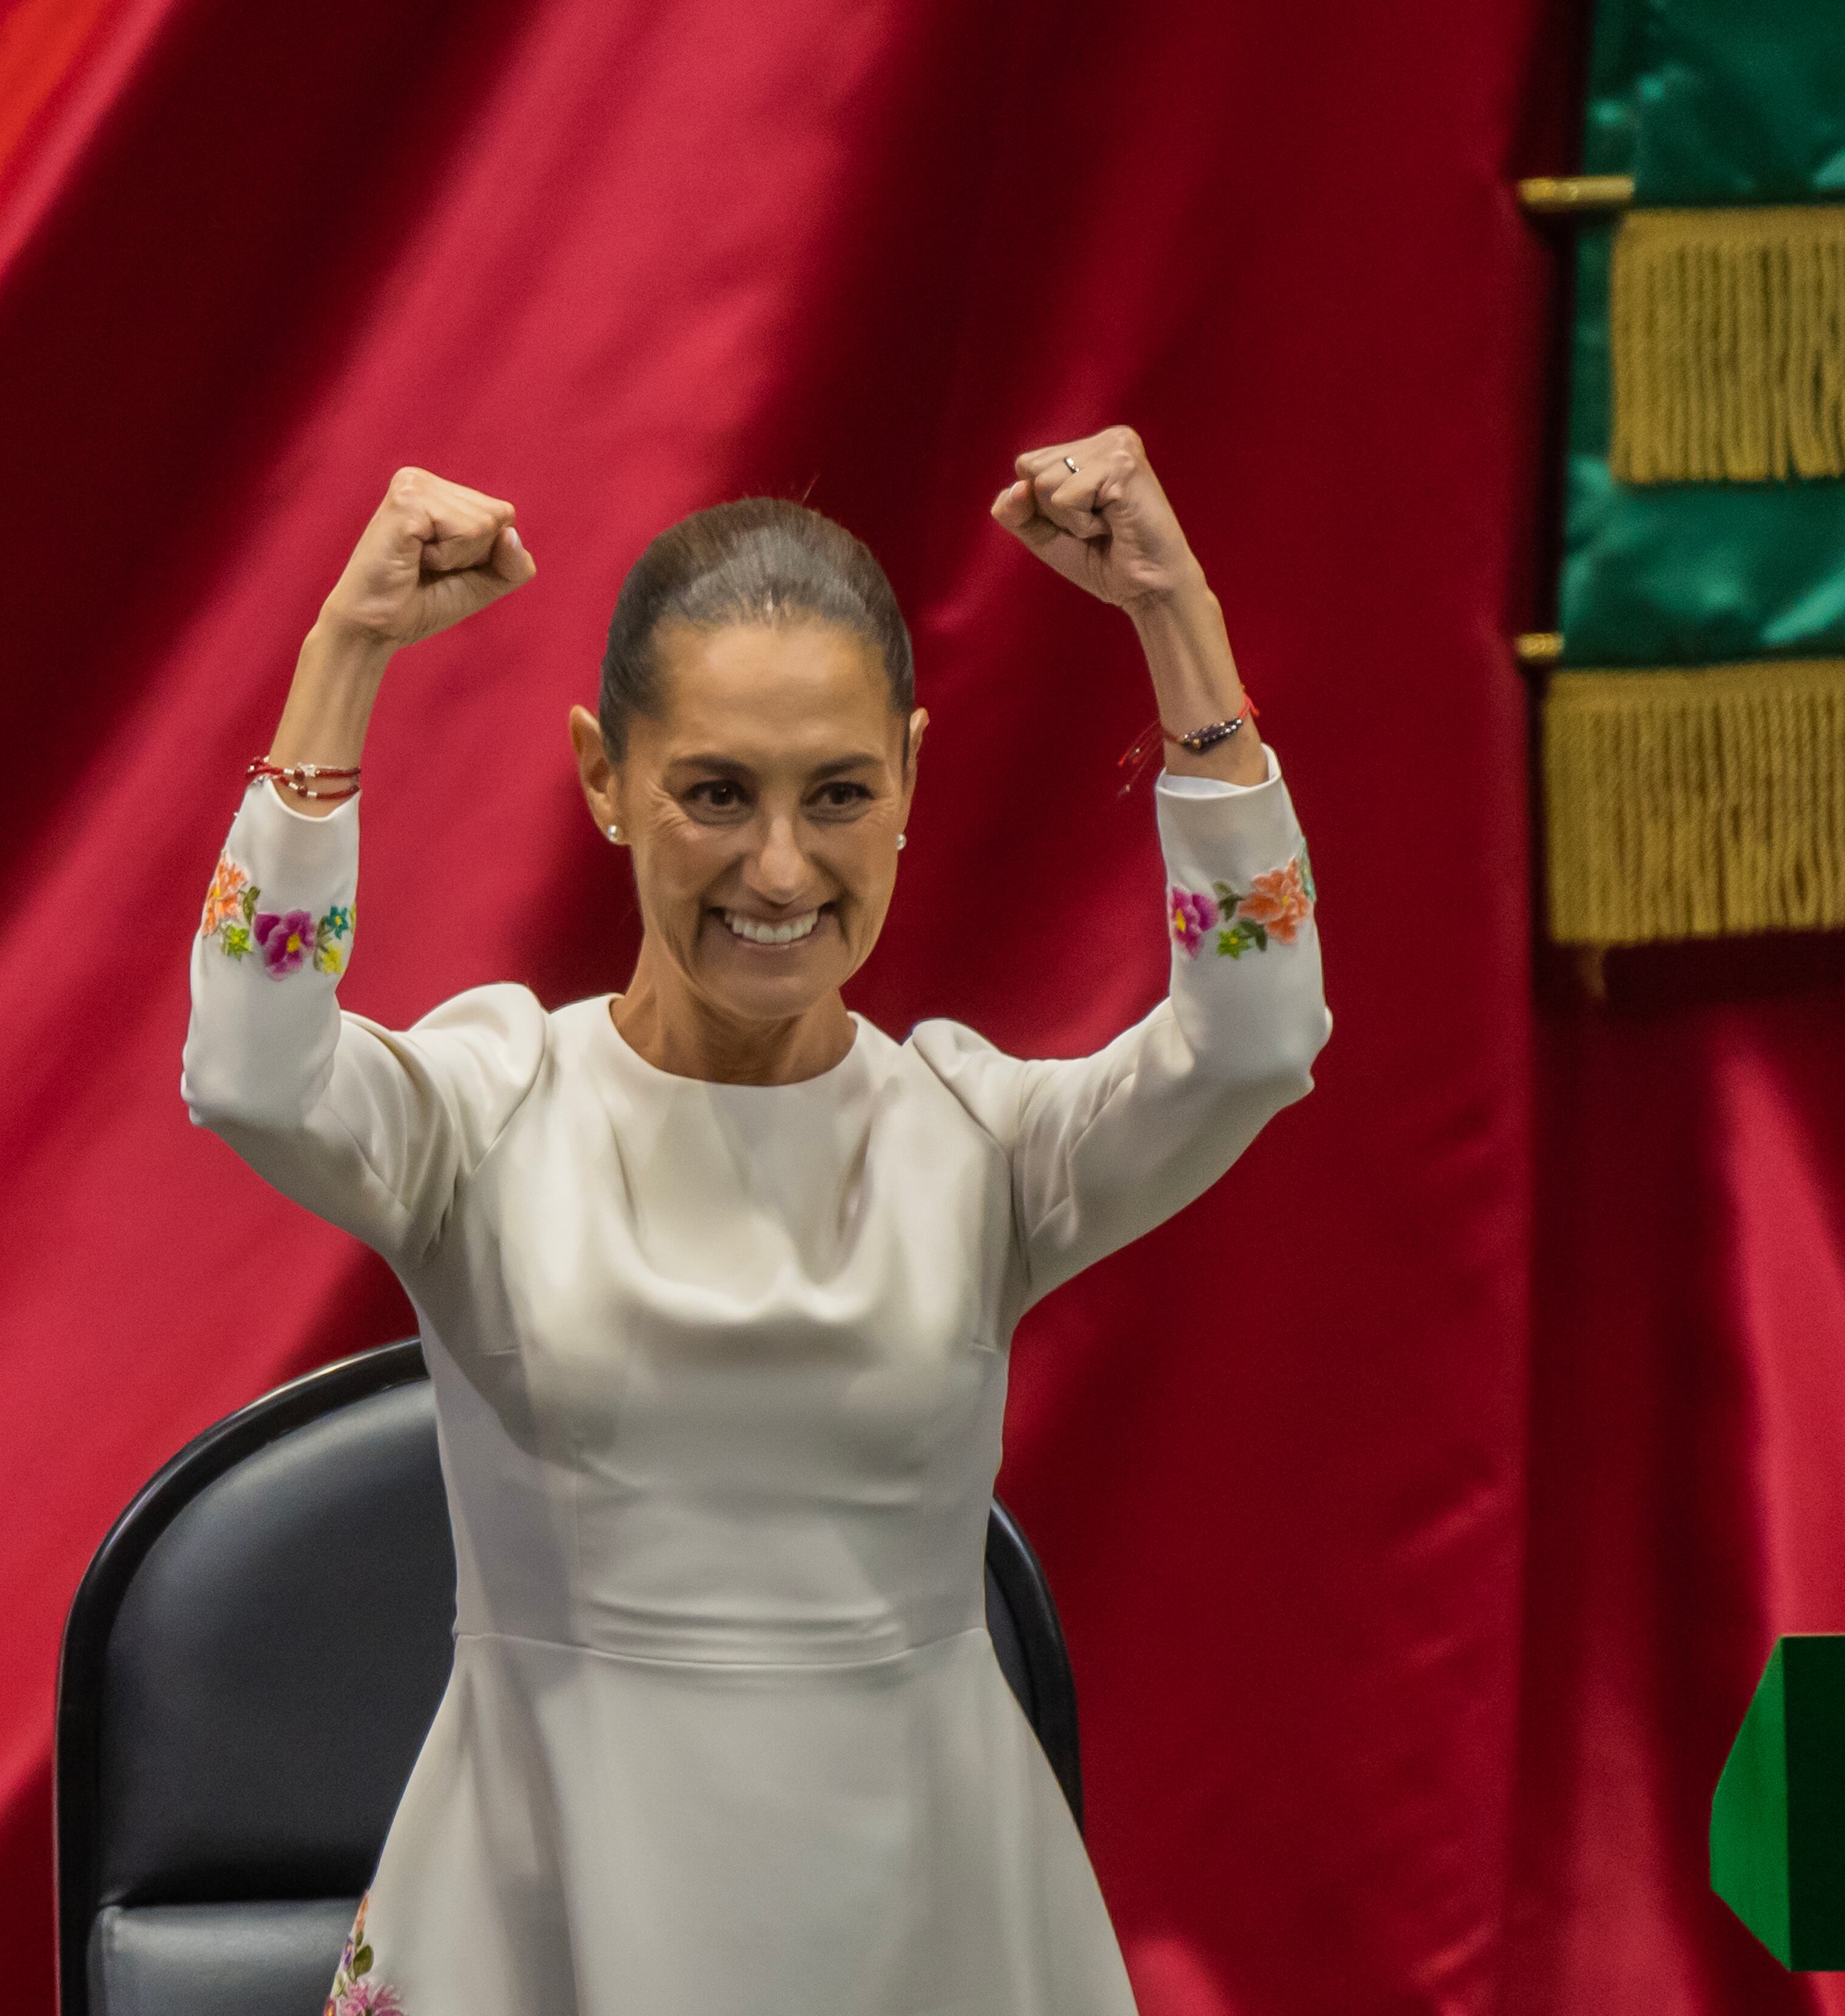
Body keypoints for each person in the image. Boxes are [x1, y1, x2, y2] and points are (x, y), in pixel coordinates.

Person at [181, 429, 1328, 2016]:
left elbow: (1261, 1039)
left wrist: (1176, 620)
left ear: (912, 782)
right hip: (548, 1917)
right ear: (603, 776)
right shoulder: (486, 1114)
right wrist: (345, 650)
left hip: (937, 1925)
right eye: (715, 793)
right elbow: (249, 1072)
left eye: (839, 794)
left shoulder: (978, 1143)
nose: (779, 866)